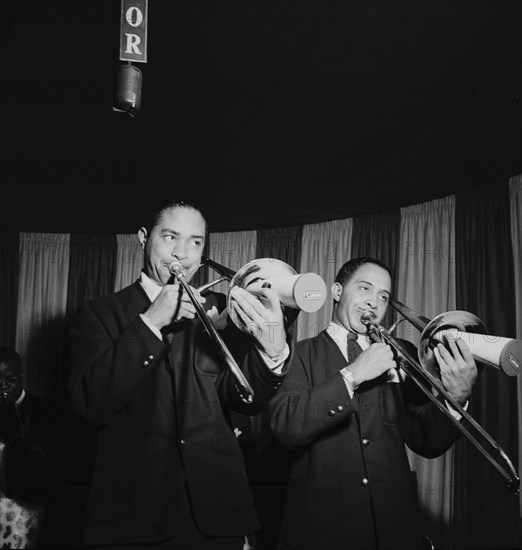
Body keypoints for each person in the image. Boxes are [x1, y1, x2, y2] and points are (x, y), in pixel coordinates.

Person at [68, 200, 290, 549]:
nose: (183, 254)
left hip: (218, 519)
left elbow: (246, 399)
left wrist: (272, 348)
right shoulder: (98, 314)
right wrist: (150, 322)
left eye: (196, 242)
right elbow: (91, 404)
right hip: (134, 518)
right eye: (170, 237)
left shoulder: (224, 309)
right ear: (144, 237)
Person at [269, 257, 478, 550]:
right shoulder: (298, 353)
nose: (374, 303)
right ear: (338, 291)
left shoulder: (402, 355)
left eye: (383, 297)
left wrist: (455, 399)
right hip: (320, 530)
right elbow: (284, 427)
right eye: (365, 289)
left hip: (394, 529)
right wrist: (353, 374)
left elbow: (426, 440)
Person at [0, 346, 84, 548]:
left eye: (10, 379)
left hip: (38, 513)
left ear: (21, 376)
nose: (3, 386)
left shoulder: (50, 412)